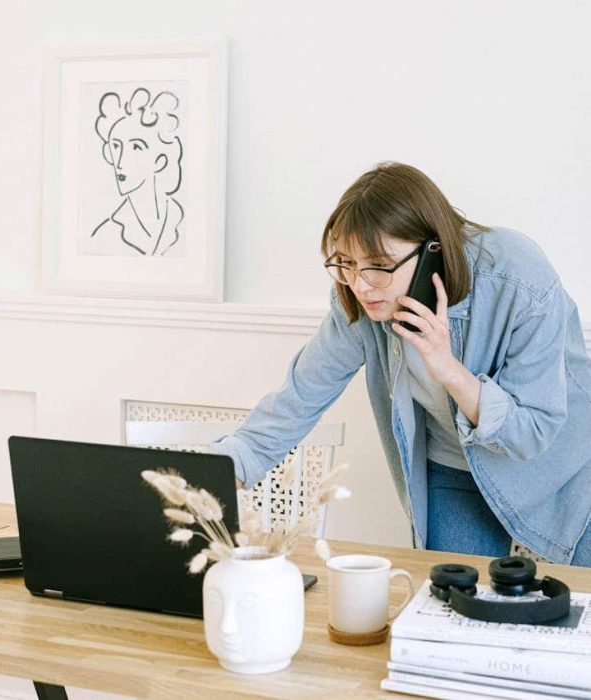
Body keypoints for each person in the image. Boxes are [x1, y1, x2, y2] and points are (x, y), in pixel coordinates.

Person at [211, 161, 591, 566]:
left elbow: (532, 432)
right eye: (346, 263)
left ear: (433, 251)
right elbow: (299, 399)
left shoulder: (518, 276)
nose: (360, 284)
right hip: (453, 470)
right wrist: (213, 474)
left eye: (378, 265)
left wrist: (448, 369)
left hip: (564, 471)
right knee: (450, 613)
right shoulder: (358, 299)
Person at [89, 87, 184, 257]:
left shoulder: (184, 223)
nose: (120, 161)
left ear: (159, 161)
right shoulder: (106, 235)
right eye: (116, 146)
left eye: (136, 147)